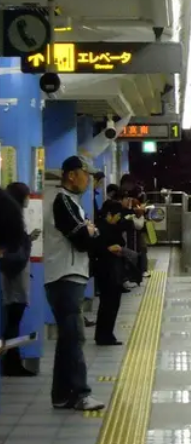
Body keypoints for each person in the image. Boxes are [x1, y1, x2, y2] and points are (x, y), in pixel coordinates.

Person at [44, 155, 107, 411]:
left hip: (68, 275)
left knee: (67, 339)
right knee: (75, 337)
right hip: (64, 276)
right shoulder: (63, 201)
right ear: (72, 175)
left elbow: (91, 233)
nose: (89, 179)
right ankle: (81, 394)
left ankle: (61, 395)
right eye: (85, 173)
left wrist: (90, 232)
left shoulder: (72, 203)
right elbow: (83, 239)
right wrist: (89, 232)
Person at [92, 191, 139, 346]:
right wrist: (109, 249)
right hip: (107, 271)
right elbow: (97, 249)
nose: (118, 218)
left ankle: (105, 334)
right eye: (116, 215)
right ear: (109, 214)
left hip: (110, 270)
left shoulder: (105, 226)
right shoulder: (101, 229)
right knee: (109, 304)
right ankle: (104, 336)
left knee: (109, 304)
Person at [0, 183, 38, 377]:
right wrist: (27, 241)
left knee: (13, 321)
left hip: (13, 281)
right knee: (13, 322)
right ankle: (11, 362)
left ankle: (12, 361)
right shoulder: (12, 220)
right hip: (14, 281)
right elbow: (17, 256)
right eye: (26, 196)